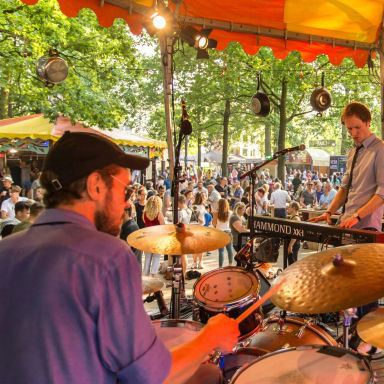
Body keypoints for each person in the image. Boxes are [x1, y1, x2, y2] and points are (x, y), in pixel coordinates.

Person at [0, 131, 239, 384]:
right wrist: (210, 337)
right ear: (96, 185)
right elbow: (151, 377)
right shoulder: (107, 257)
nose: (128, 204)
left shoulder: (6, 252)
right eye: (126, 192)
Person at [310, 102, 384, 354]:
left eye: (357, 128)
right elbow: (344, 188)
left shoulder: (380, 150)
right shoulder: (353, 152)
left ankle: (371, 340)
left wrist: (358, 216)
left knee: (367, 286)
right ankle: (357, 332)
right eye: (349, 128)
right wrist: (329, 212)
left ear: (368, 123)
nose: (353, 133)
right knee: (353, 285)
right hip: (348, 223)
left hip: (367, 226)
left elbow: (382, 194)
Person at [143, 195, 165, 277]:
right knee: (156, 258)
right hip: (157, 239)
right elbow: (163, 227)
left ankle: (145, 276)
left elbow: (145, 223)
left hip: (147, 238)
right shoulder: (159, 214)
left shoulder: (145, 214)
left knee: (147, 258)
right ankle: (154, 276)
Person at [214, 198, 234, 268]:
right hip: (228, 231)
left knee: (221, 251)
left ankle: (220, 266)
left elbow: (214, 223)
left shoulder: (216, 213)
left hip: (219, 232)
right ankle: (230, 264)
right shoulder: (230, 213)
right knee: (229, 249)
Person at [287, 201, 301, 265]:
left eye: (289, 207)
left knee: (293, 263)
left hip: (294, 243)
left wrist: (290, 245)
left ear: (293, 208)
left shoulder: (296, 219)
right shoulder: (293, 217)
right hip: (293, 242)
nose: (288, 208)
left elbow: (296, 234)